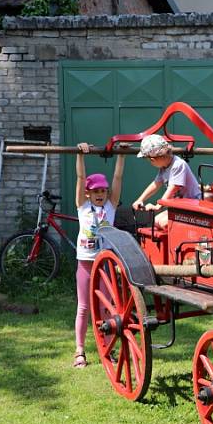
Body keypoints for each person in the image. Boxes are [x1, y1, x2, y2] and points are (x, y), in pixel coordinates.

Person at [73, 143, 125, 368]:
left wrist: (121, 154)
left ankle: (107, 347)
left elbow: (118, 176)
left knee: (105, 308)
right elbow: (80, 176)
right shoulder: (82, 206)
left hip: (104, 264)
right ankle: (80, 351)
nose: (100, 194)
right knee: (84, 307)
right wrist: (80, 155)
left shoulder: (111, 206)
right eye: (96, 191)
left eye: (103, 191)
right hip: (86, 262)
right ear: (88, 193)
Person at [132, 133, 202, 228]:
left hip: (193, 205)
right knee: (156, 221)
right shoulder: (164, 167)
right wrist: (140, 200)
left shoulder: (178, 165)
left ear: (153, 159)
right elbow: (155, 184)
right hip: (180, 207)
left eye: (149, 160)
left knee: (164, 223)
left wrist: (158, 206)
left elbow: (173, 188)